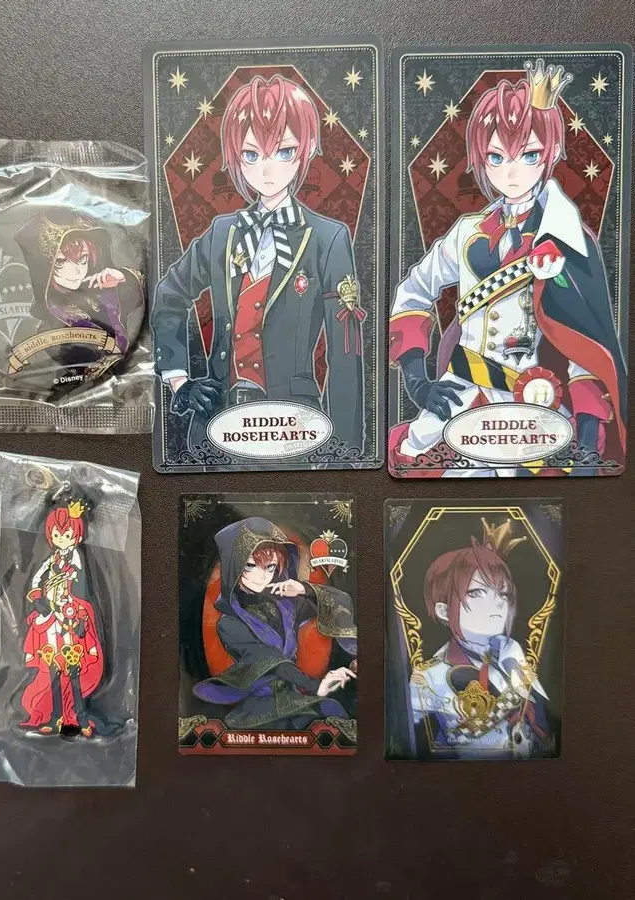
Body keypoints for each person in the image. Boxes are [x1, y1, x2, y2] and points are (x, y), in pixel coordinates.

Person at [389, 59, 627, 475]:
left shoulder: (567, 238)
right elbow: (413, 291)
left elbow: (585, 341)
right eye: (496, 157)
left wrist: (588, 434)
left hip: (536, 405)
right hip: (461, 395)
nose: (512, 171)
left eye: (529, 154)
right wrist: (416, 379)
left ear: (550, 153)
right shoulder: (467, 233)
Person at [152, 74, 366, 451]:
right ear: (235, 156)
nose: (267, 170)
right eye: (251, 155)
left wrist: (346, 449)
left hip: (296, 426)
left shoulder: (327, 238)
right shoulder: (222, 232)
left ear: (306, 149)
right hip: (216, 423)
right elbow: (169, 294)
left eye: (284, 152)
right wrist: (180, 382)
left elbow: (344, 350)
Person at [194, 517, 357, 730]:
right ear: (235, 567)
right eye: (251, 566)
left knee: (333, 715)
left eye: (270, 567)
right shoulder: (229, 623)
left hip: (295, 698)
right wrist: (315, 686)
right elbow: (270, 660)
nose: (262, 576)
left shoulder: (286, 606)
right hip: (261, 707)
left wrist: (303, 589)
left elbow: (339, 601)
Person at [408, 519, 551, 757]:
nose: (497, 603)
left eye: (503, 594)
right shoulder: (429, 677)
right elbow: (409, 742)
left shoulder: (511, 652)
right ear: (444, 611)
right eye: (477, 593)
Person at [16, 210, 144, 369]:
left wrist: (122, 278)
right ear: (43, 269)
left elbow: (147, 299)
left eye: (83, 258)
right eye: (60, 262)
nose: (76, 272)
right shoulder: (50, 328)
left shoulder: (105, 295)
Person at [20, 501, 104, 737]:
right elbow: (36, 580)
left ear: (76, 536)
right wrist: (38, 599)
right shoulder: (50, 561)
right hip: (51, 619)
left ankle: (80, 717)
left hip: (71, 617)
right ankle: (55, 716)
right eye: (57, 534)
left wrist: (79, 618)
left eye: (67, 534)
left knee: (73, 671)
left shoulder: (77, 562)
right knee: (54, 671)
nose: (62, 539)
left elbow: (82, 590)